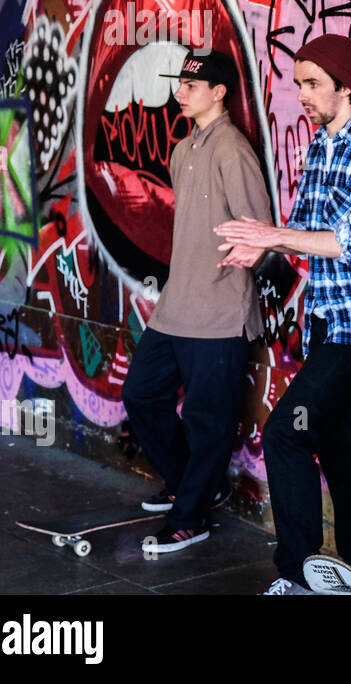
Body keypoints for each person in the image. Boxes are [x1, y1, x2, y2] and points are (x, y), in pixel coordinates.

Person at [215, 33, 351, 595]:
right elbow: (304, 230)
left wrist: (272, 234)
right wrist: (266, 246)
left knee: (286, 433)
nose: (301, 94)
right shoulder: (320, 145)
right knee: (344, 446)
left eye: (313, 84)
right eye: (299, 83)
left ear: (347, 88)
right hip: (327, 321)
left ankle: (297, 576)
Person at [122, 51, 272, 553]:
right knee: (140, 394)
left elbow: (259, 234)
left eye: (192, 84)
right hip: (174, 307)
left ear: (219, 92)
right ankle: (193, 482)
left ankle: (191, 517)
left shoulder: (233, 149)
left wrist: (233, 274)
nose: (181, 91)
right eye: (180, 83)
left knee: (207, 422)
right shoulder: (183, 150)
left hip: (219, 311)